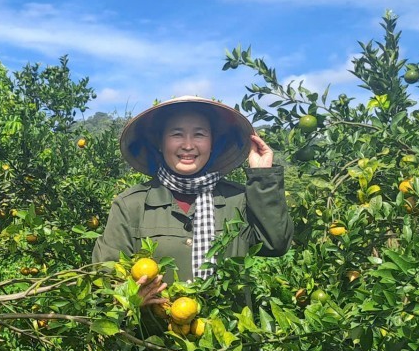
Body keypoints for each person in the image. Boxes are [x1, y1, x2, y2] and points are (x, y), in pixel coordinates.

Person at [92, 96, 292, 305]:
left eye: (199, 134)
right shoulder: (131, 205)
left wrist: (262, 176)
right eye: (177, 134)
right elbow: (104, 280)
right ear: (160, 143)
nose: (188, 145)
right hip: (152, 337)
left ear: (212, 143)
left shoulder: (238, 200)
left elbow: (275, 244)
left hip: (228, 336)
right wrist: (128, 297)